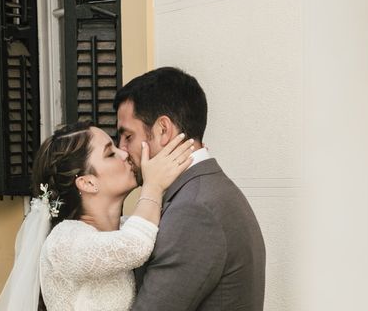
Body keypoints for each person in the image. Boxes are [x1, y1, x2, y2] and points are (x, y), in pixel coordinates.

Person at [0, 121, 194, 311]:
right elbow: (136, 245)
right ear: (87, 183)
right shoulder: (63, 242)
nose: (124, 154)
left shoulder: (125, 227)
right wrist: (153, 185)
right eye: (110, 153)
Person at [114, 67, 266, 311]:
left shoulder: (194, 209)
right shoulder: (203, 190)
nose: (121, 149)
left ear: (163, 130)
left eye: (128, 136)